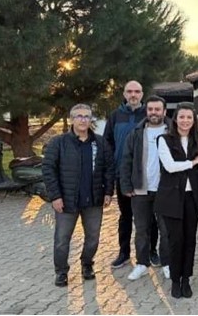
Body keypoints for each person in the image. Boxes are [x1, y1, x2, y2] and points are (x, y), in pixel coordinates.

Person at [42, 104, 116, 287]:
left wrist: (108, 191)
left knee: (93, 237)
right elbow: (48, 170)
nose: (83, 120)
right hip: (66, 201)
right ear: (72, 119)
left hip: (93, 200)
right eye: (79, 116)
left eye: (87, 116)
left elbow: (109, 168)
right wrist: (55, 196)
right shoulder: (58, 143)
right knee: (62, 239)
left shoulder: (99, 143)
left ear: (91, 120)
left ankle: (87, 264)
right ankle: (61, 272)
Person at [118, 95, 173, 281]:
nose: (154, 113)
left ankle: (167, 264)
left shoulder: (172, 132)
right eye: (150, 109)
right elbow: (126, 160)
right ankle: (142, 263)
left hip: (165, 190)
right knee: (142, 229)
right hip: (141, 190)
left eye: (158, 109)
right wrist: (126, 185)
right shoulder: (136, 132)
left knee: (166, 230)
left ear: (164, 112)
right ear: (146, 111)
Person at [155, 102, 198, 299]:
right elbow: (169, 166)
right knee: (175, 241)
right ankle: (175, 280)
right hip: (171, 199)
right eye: (182, 117)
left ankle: (186, 279)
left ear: (194, 122)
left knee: (190, 240)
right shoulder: (164, 140)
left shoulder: (197, 142)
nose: (185, 121)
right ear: (175, 119)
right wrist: (193, 162)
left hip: (192, 198)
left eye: (189, 118)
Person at [104, 81, 150, 269]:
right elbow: (107, 143)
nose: (133, 95)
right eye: (129, 91)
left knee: (148, 217)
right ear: (124, 94)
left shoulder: (150, 115)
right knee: (125, 216)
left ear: (142, 93)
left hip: (146, 176)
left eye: (137, 91)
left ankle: (150, 252)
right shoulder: (116, 116)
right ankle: (124, 253)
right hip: (122, 175)